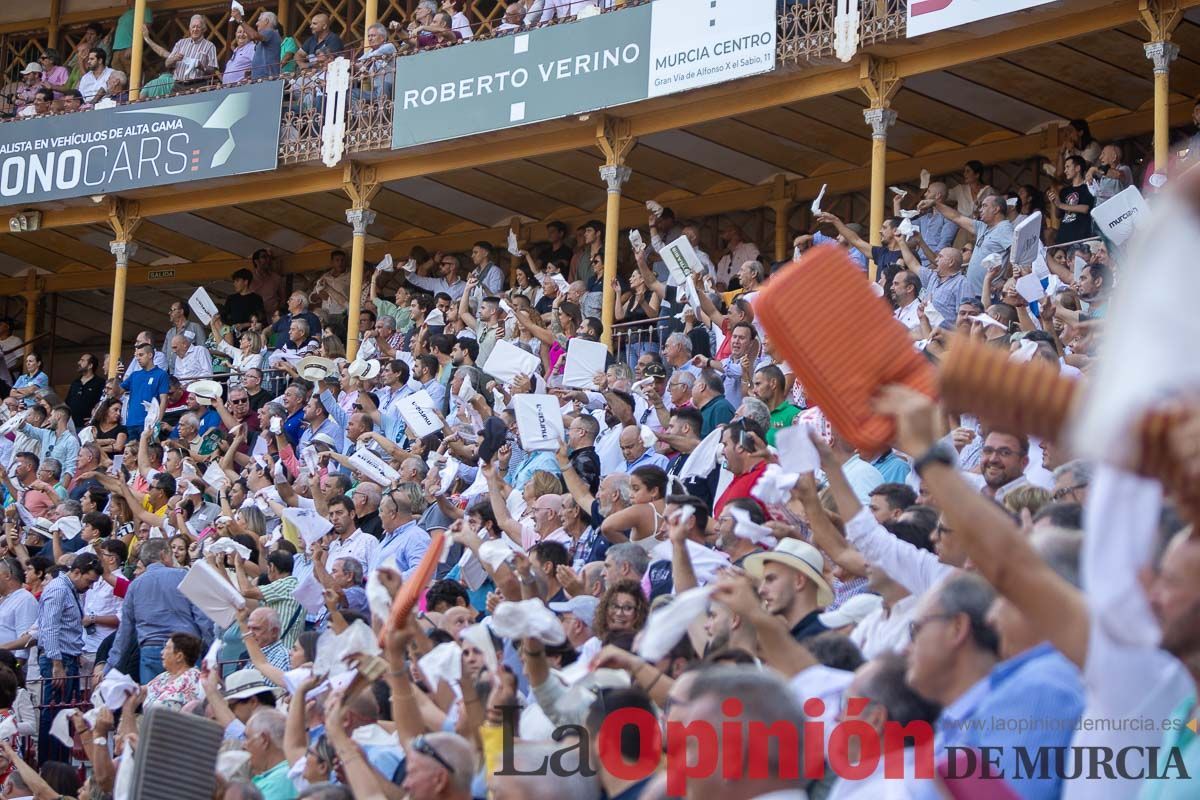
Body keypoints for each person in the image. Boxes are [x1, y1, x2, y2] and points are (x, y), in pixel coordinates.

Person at [106, 539, 214, 683]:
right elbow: (203, 619)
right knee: (190, 699)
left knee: (154, 700)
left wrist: (110, 666)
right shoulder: (183, 576)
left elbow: (125, 631)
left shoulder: (134, 586)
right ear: (163, 555)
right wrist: (212, 649)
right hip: (186, 649)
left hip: (151, 650)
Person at [35, 553, 101, 762]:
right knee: (55, 716)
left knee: (62, 715)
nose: (89, 587)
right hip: (59, 660)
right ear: (76, 572)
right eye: (89, 581)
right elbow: (51, 628)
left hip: (67, 658)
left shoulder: (68, 589)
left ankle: (57, 766)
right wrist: (57, 664)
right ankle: (51, 767)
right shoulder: (58, 590)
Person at [144, 632, 203, 709]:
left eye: (167, 648)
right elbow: (144, 689)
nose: (162, 652)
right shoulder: (165, 676)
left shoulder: (190, 679)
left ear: (179, 656)